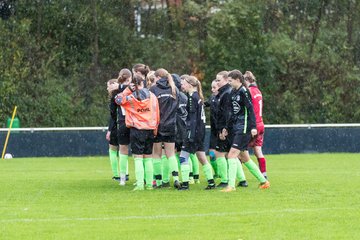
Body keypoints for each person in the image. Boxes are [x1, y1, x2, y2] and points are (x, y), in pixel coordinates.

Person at [220, 70, 270, 192]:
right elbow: (232, 112)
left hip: (244, 128)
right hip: (236, 127)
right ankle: (264, 181)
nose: (229, 83)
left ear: (238, 80)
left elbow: (251, 110)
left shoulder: (244, 92)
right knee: (245, 158)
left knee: (231, 155)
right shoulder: (233, 92)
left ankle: (231, 186)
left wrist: (253, 127)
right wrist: (226, 127)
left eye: (230, 81)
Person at [114, 74, 160, 191]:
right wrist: (155, 128)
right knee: (148, 157)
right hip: (150, 129)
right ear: (143, 83)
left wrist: (127, 90)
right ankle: (149, 184)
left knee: (138, 158)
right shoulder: (153, 96)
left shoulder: (131, 98)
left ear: (134, 85)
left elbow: (117, 100)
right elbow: (156, 114)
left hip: (137, 130)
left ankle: (140, 184)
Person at [178, 75, 216, 190]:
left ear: (190, 84)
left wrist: (190, 134)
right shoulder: (197, 96)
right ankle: (211, 182)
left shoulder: (192, 98)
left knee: (183, 157)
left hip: (194, 131)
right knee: (202, 157)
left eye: (183, 83)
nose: (182, 85)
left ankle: (185, 184)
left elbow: (193, 118)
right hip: (200, 131)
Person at [149, 68, 181, 189]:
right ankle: (176, 178)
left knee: (156, 154)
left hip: (158, 125)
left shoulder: (153, 89)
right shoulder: (174, 89)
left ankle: (159, 182)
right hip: (172, 125)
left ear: (157, 77)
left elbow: (151, 107)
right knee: (170, 154)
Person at [244, 71, 268, 179]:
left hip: (253, 125)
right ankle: (264, 174)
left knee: (240, 150)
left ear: (246, 80)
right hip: (261, 124)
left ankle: (240, 178)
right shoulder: (258, 91)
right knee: (258, 150)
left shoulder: (249, 91)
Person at [116, 68, 132, 185]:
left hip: (122, 122)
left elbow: (113, 109)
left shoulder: (116, 90)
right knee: (140, 153)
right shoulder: (135, 88)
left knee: (122, 150)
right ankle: (144, 179)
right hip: (136, 122)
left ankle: (122, 178)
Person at [204, 79, 220, 178]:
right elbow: (205, 103)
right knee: (211, 154)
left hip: (223, 131)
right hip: (214, 131)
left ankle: (227, 174)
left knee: (226, 155)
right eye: (212, 87)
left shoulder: (225, 98)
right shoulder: (213, 97)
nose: (212, 90)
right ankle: (217, 173)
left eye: (214, 87)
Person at [106, 79, 120, 182]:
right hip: (127, 124)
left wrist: (110, 130)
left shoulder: (114, 98)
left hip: (117, 126)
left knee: (113, 149)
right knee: (124, 150)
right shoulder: (125, 93)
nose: (107, 88)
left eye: (108, 86)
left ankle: (116, 174)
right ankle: (125, 173)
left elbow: (113, 116)